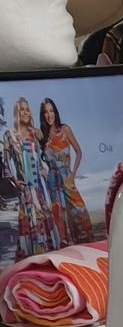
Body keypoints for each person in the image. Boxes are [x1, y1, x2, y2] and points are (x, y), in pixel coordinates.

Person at [37, 98, 94, 245]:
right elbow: (34, 156)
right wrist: (44, 171)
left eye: (51, 111)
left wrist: (73, 173)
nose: (49, 115)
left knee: (79, 213)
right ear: (42, 115)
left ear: (55, 112)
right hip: (52, 182)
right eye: (45, 112)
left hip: (66, 177)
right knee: (59, 219)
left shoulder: (64, 129)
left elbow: (79, 152)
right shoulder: (42, 136)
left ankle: (86, 248)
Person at [3, 99, 49, 259]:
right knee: (29, 225)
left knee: (43, 223)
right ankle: (31, 261)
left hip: (40, 188)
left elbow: (41, 159)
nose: (25, 112)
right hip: (26, 190)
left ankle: (44, 260)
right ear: (17, 113)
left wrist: (44, 169)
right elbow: (6, 163)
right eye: (22, 109)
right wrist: (15, 181)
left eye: (27, 109)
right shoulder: (9, 135)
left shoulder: (34, 134)